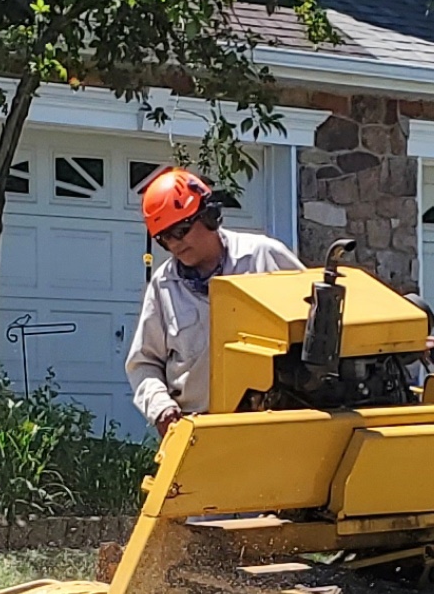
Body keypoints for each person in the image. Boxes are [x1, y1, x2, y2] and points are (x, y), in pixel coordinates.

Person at [123, 167, 303, 436]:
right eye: (164, 239)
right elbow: (143, 363)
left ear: (210, 216)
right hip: (198, 429)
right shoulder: (163, 286)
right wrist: (160, 408)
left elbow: (313, 327)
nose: (174, 245)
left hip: (273, 423)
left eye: (181, 231)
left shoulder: (265, 258)